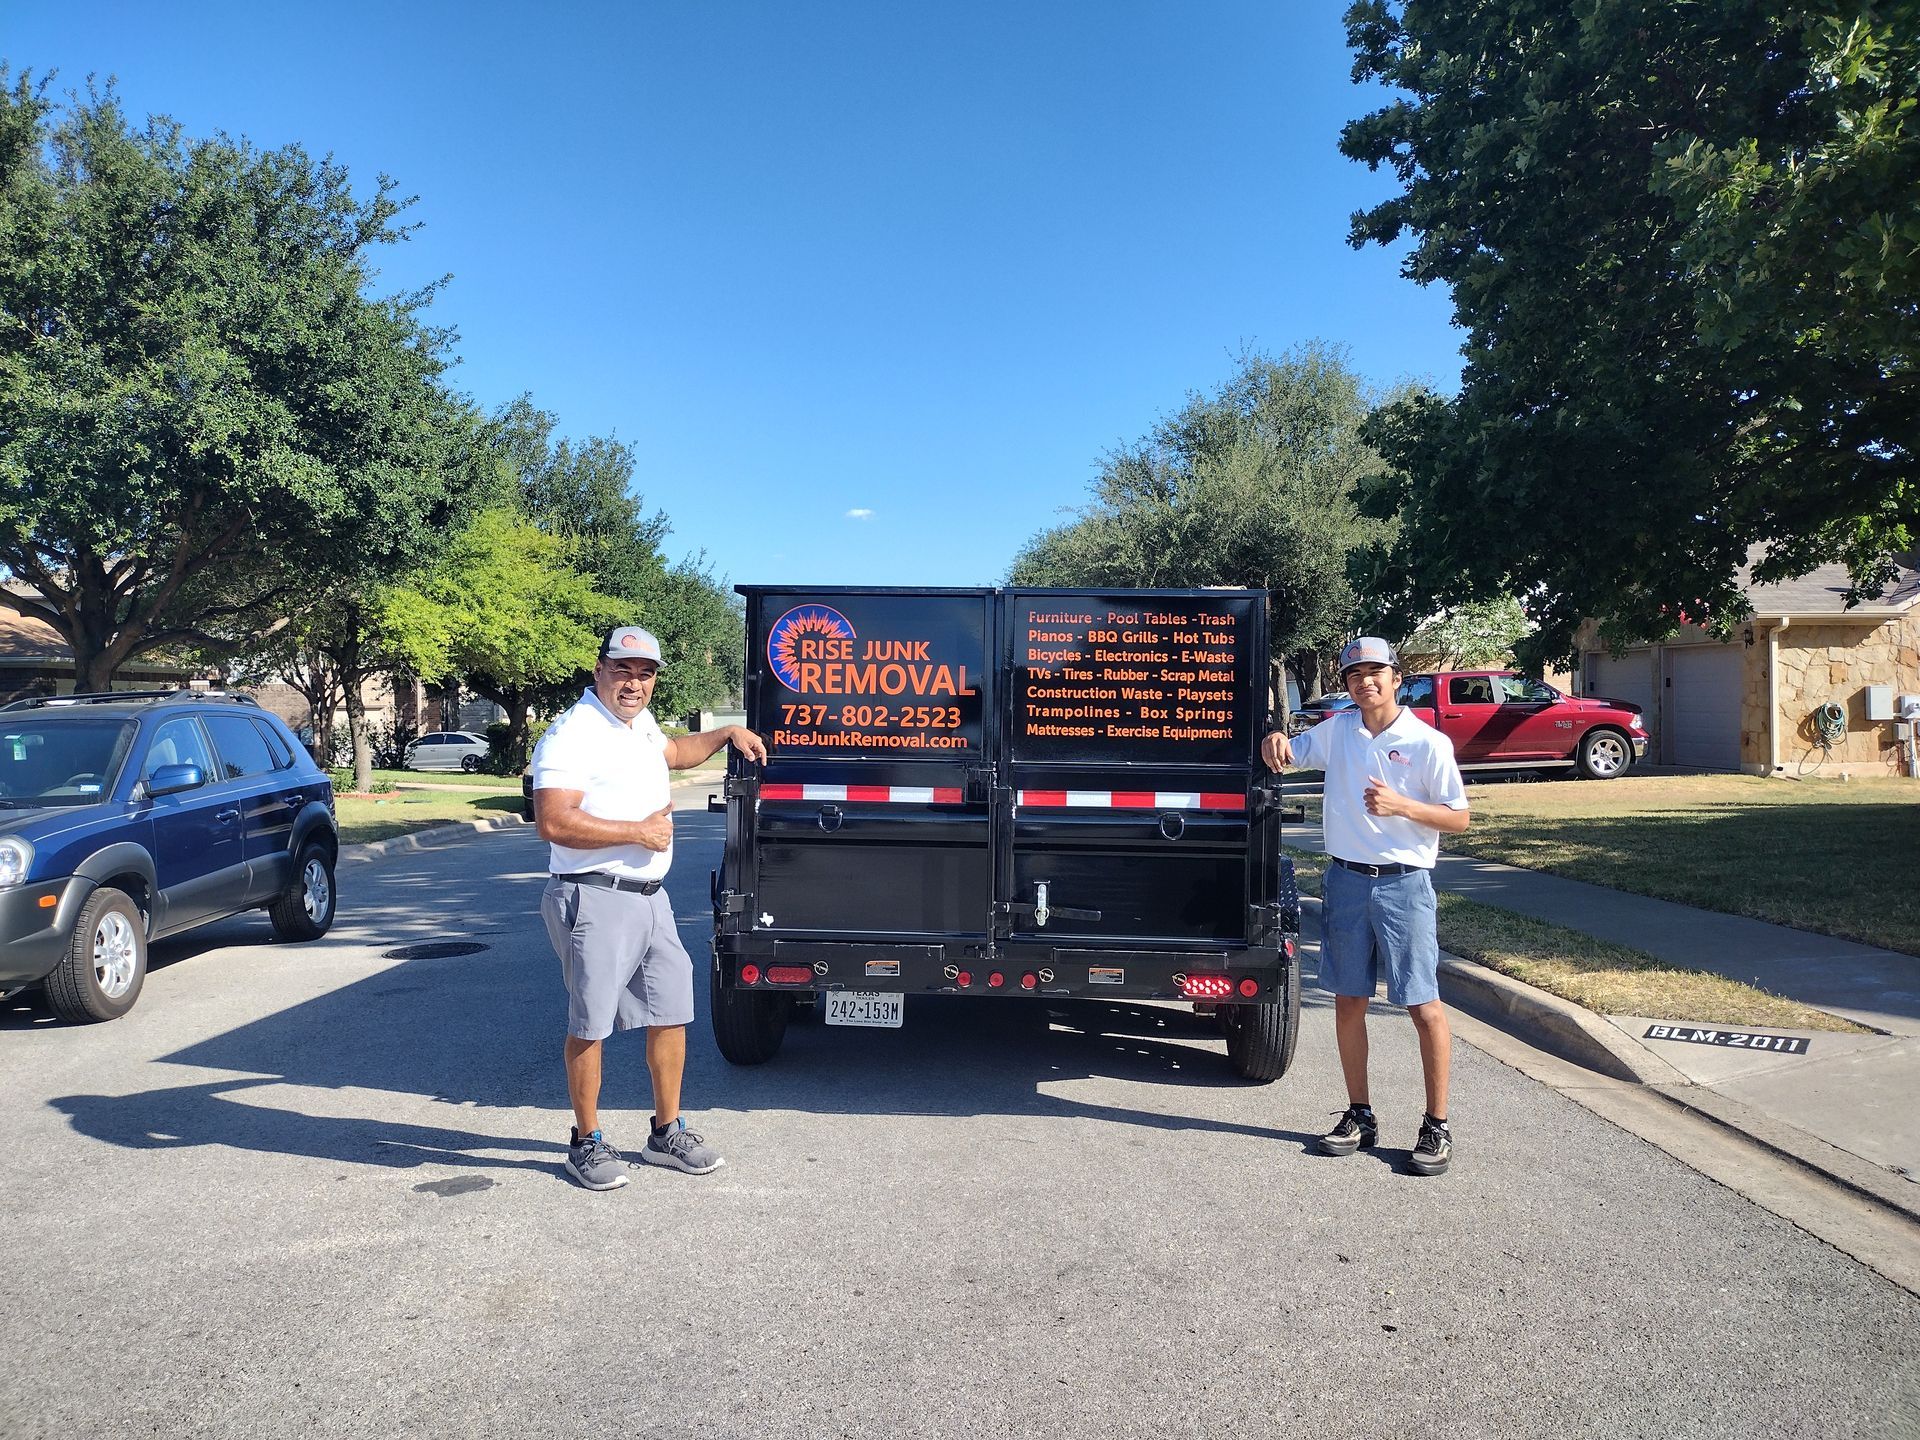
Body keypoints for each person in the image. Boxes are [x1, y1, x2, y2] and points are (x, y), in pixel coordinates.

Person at [532, 624, 768, 1191]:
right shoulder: (573, 733)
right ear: (598, 671)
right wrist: (637, 832)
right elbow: (553, 821)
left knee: (671, 1007)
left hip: (648, 898)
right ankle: (585, 1142)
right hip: (593, 894)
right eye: (622, 670)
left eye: (645, 673)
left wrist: (727, 732)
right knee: (591, 1021)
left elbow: (677, 753)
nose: (634, 682)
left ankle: (666, 1131)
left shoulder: (636, 727)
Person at [1260, 636, 1470, 1176]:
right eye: (1355, 675)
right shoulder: (1340, 731)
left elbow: (1458, 818)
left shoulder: (1427, 743)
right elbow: (1289, 754)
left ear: (1397, 678)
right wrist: (1277, 739)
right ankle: (1360, 1114)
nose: (1364, 682)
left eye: (1375, 672)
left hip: (1405, 886)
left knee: (1423, 1006)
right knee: (1349, 1002)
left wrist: (1403, 805)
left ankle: (1436, 1125)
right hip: (1346, 881)